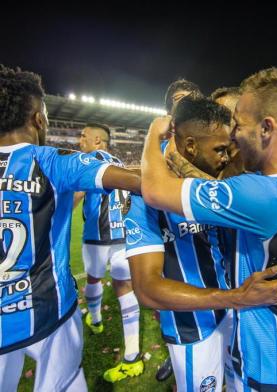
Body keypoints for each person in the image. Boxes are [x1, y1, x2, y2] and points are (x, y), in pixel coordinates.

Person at [141, 67, 277, 392]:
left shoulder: (262, 194)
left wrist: (154, 136)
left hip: (266, 353)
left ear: (266, 128)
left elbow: (155, 190)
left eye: (238, 125)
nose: (232, 136)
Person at [0, 64, 140, 391]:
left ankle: (98, 318)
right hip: (49, 313)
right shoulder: (53, 159)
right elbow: (134, 181)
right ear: (39, 119)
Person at [77, 123, 143, 383]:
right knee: (124, 286)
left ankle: (95, 319)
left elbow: (78, 192)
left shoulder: (87, 160)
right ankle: (133, 356)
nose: (79, 140)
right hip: (122, 234)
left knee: (93, 280)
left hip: (96, 236)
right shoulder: (118, 162)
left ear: (97, 141)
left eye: (83, 136)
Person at [156, 77, 204, 382]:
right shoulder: (159, 148)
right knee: (172, 301)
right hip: (174, 238)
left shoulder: (213, 142)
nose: (184, 104)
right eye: (178, 101)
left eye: (189, 99)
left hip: (212, 238)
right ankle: (174, 356)